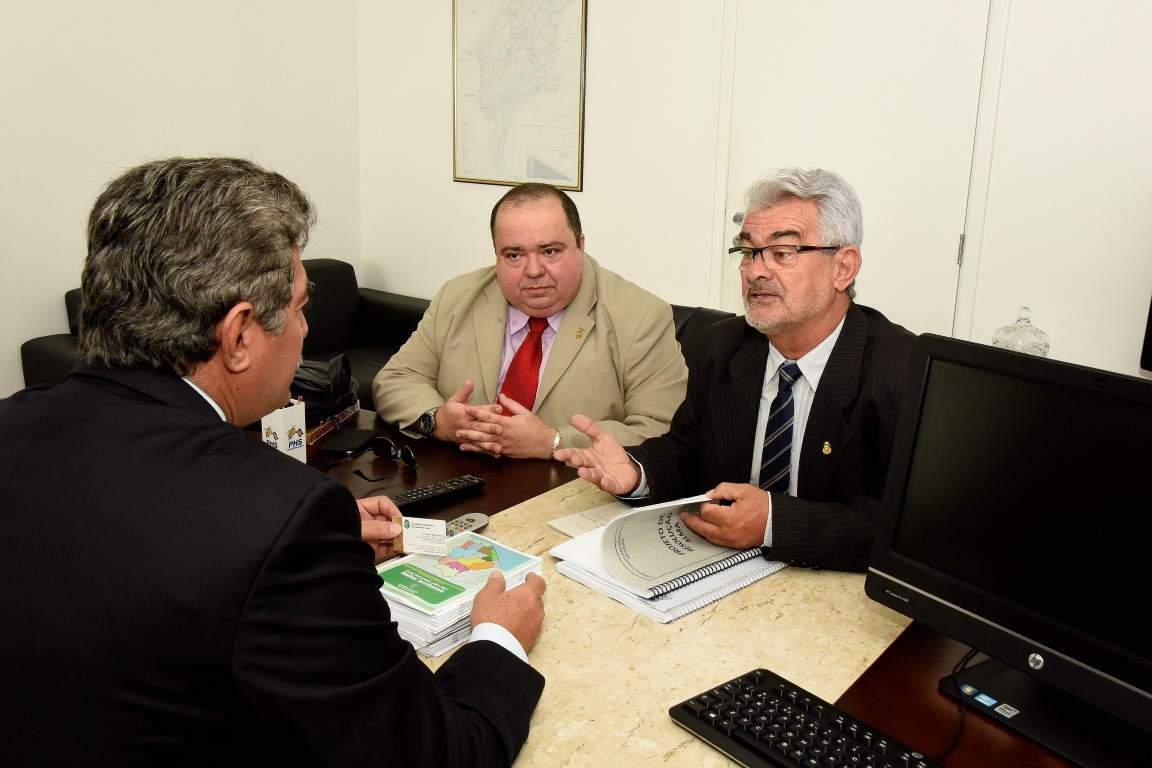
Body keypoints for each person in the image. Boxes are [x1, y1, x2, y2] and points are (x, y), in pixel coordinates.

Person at [0, 157, 547, 766]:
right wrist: (499, 640)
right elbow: (436, 755)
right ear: (238, 337)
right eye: (302, 308)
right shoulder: (279, 520)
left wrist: (313, 555)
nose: (307, 332)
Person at [554, 168, 915, 573]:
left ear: (843, 268)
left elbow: (907, 526)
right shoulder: (722, 346)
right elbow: (687, 451)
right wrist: (637, 473)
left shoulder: (904, 371)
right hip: (718, 574)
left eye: (782, 253)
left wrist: (774, 524)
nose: (756, 271)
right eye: (748, 252)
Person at [371, 183, 687, 459]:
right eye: (514, 255)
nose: (533, 270)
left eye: (549, 251)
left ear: (580, 245)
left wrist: (553, 441)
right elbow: (395, 379)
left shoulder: (641, 317)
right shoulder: (457, 296)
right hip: (463, 480)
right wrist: (438, 421)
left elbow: (664, 431)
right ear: (496, 254)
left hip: (572, 494)